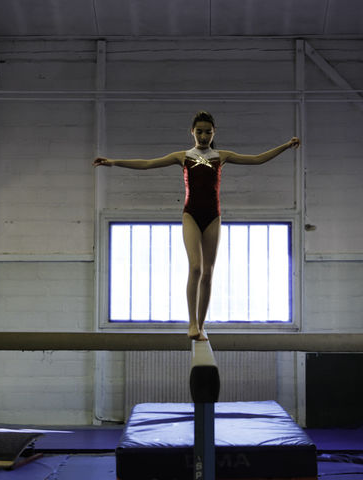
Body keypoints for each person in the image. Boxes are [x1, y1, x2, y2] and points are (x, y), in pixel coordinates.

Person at [94, 111, 300, 340]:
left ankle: (201, 326)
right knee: (195, 268)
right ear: (192, 132)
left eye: (208, 132)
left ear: (214, 133)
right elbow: (148, 163)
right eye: (199, 131)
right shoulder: (183, 156)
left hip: (213, 216)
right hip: (191, 214)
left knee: (208, 273)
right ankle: (191, 323)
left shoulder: (221, 156)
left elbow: (258, 159)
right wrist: (114, 162)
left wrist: (286, 146)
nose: (203, 136)